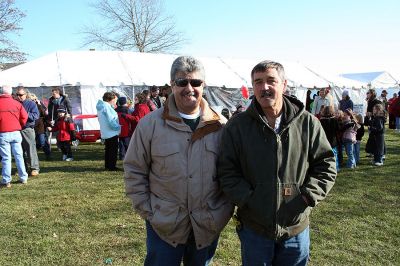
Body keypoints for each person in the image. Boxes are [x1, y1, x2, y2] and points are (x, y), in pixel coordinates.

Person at [217, 60, 337, 266]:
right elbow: (226, 170)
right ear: (252, 86)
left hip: (295, 227)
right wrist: (249, 199)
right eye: (258, 82)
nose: (264, 87)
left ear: (284, 84)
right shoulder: (237, 126)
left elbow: (325, 164)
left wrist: (307, 197)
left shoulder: (307, 123)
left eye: (271, 81)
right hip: (255, 227)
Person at [124, 56, 233, 265]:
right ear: (172, 85)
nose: (189, 88)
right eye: (182, 82)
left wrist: (222, 210)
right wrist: (149, 210)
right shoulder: (150, 125)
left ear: (204, 85)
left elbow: (232, 172)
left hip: (207, 223)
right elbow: (134, 170)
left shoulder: (221, 126)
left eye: (196, 82)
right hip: (164, 225)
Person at [0, 85, 29, 188]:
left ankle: (6, 180)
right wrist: (19, 125)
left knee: (6, 158)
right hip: (16, 132)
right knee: (19, 156)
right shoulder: (17, 103)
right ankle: (23, 178)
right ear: (10, 93)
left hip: (3, 133)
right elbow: (24, 117)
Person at [16, 86, 40, 176]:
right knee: (19, 151)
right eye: (17, 95)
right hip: (17, 129)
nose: (19, 96)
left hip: (27, 129)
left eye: (21, 95)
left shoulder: (31, 104)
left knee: (31, 149)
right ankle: (23, 169)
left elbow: (35, 116)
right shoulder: (15, 103)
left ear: (25, 94)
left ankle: (34, 168)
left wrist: (24, 114)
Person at [96, 91, 121, 171]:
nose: (115, 101)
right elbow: (111, 120)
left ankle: (108, 165)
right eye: (114, 99)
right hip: (111, 132)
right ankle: (112, 166)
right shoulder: (106, 107)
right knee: (113, 150)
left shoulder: (102, 106)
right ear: (110, 99)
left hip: (105, 131)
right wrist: (118, 127)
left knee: (108, 150)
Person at [29, 93, 51, 160]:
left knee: (43, 142)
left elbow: (44, 114)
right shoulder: (29, 106)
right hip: (32, 126)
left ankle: (48, 155)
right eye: (32, 100)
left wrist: (39, 104)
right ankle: (34, 157)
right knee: (35, 143)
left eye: (35, 99)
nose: (34, 101)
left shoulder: (40, 105)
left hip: (41, 126)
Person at [319, 106, 340, 171]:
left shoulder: (321, 120)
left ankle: (327, 167)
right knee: (334, 155)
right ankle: (336, 168)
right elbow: (338, 129)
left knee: (326, 155)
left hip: (325, 140)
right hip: (333, 140)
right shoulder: (334, 120)